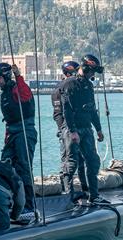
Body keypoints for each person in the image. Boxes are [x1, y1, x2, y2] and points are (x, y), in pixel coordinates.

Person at [0, 62, 37, 220]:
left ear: (6, 76)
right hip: (12, 133)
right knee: (5, 166)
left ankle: (29, 206)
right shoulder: (5, 93)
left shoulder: (17, 88)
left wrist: (18, 76)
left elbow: (26, 96)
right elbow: (9, 121)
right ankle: (10, 203)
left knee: (24, 168)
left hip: (25, 131)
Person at [60, 54, 107, 204]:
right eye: (92, 71)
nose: (93, 74)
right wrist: (72, 131)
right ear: (85, 68)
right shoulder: (69, 84)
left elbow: (92, 110)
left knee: (93, 161)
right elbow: (66, 109)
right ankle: (67, 197)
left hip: (87, 129)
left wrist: (98, 129)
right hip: (73, 130)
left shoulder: (88, 85)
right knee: (72, 163)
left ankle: (94, 195)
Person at [52, 61, 88, 197]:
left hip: (78, 128)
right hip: (66, 131)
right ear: (68, 74)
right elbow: (57, 114)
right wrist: (63, 130)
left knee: (82, 160)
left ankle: (85, 188)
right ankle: (67, 190)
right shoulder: (58, 90)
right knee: (67, 160)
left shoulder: (77, 87)